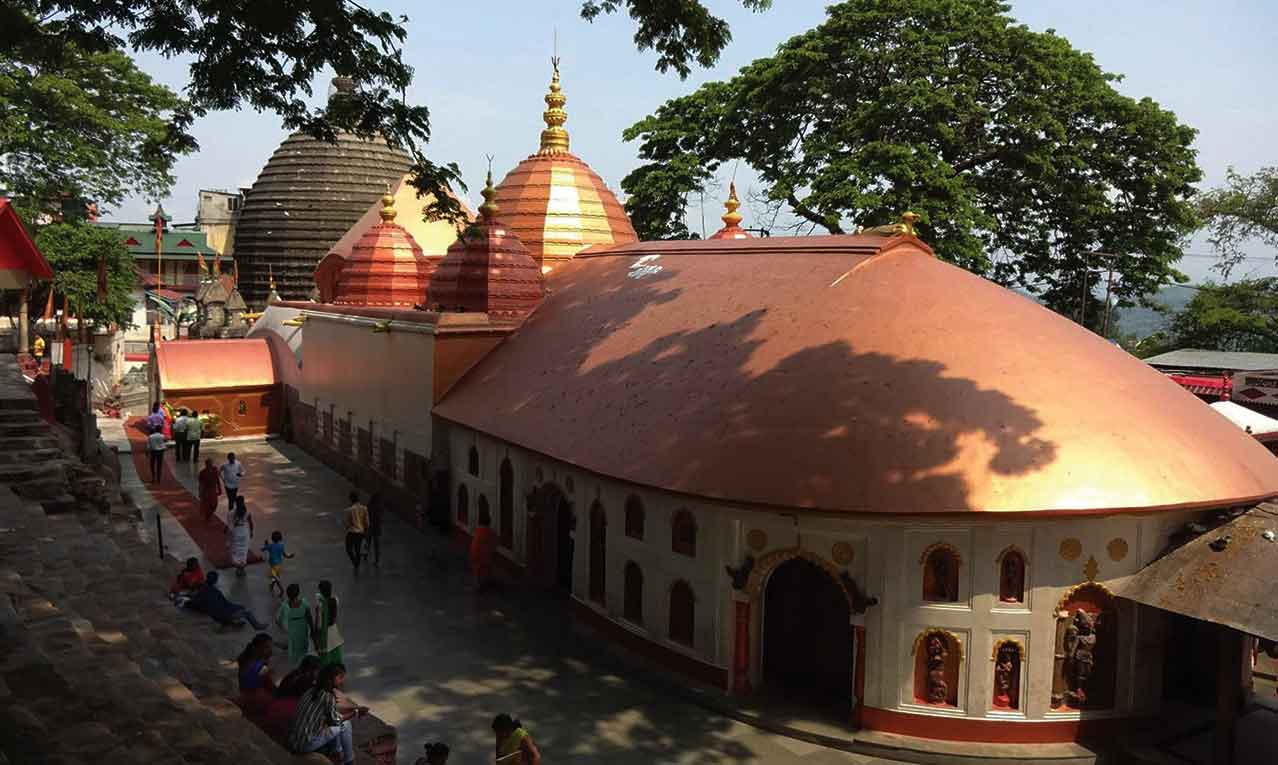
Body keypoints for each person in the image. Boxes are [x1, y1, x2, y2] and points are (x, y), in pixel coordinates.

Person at [286, 663, 366, 764]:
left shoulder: (311, 690)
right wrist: (355, 712)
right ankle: (349, 760)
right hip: (304, 745)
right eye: (340, 678)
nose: (343, 681)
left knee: (334, 723)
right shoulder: (327, 697)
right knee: (345, 725)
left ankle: (336, 752)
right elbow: (336, 720)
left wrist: (355, 708)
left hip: (294, 741)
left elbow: (333, 710)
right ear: (330, 679)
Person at [186, 571, 269, 630]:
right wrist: (239, 607)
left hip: (215, 615)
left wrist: (189, 601)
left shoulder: (203, 590)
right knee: (247, 611)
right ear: (215, 580)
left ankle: (232, 622)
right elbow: (226, 604)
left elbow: (196, 601)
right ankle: (257, 626)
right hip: (222, 615)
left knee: (237, 609)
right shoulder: (215, 591)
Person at [237, 632, 277, 720]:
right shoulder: (262, 668)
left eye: (271, 647)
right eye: (267, 647)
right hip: (255, 701)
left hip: (245, 697)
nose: (271, 651)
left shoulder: (245, 660)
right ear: (257, 648)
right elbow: (272, 688)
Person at [276, 583, 314, 665]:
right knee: (303, 647)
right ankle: (303, 664)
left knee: (293, 649)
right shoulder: (304, 603)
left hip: (292, 628)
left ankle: (296, 665)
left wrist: (284, 627)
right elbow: (309, 617)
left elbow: (277, 619)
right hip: (302, 627)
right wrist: (313, 630)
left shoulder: (285, 605)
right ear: (298, 593)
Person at [313, 580, 344, 667]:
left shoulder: (320, 605)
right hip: (333, 628)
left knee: (325, 653)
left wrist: (315, 633)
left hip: (324, 631)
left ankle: (326, 669)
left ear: (321, 591)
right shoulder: (335, 600)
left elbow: (318, 622)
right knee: (335, 649)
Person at [470, 508, 497, 592]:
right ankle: (484, 582)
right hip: (484, 554)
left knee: (477, 569)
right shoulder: (490, 531)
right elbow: (494, 541)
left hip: (475, 552)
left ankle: (478, 584)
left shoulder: (478, 530)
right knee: (487, 567)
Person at [227, 497, 254, 576]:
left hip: (235, 533)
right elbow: (251, 523)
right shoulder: (247, 512)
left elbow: (230, 526)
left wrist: (228, 537)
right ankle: (241, 568)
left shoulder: (231, 513)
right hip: (245, 533)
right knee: (243, 551)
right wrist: (251, 532)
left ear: (235, 503)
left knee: (235, 551)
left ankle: (238, 567)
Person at [262, 530, 294, 596]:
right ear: (280, 539)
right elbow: (285, 555)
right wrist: (290, 556)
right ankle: (271, 586)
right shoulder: (281, 546)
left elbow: (263, 549)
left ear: (272, 538)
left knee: (276, 579)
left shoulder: (270, 546)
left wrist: (266, 544)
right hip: (279, 566)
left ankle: (281, 589)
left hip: (273, 566)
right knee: (275, 577)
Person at [343, 491, 369, 571]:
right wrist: (365, 531)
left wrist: (347, 527)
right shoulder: (364, 508)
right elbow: (367, 522)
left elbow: (347, 524)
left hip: (352, 532)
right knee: (358, 549)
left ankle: (355, 562)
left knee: (348, 548)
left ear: (351, 499)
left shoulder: (349, 510)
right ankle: (357, 563)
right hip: (361, 532)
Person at [366, 490, 384, 567]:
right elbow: (380, 516)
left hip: (371, 527)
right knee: (376, 544)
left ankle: (366, 555)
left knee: (369, 542)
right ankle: (376, 560)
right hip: (376, 527)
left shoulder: (370, 505)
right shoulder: (379, 506)